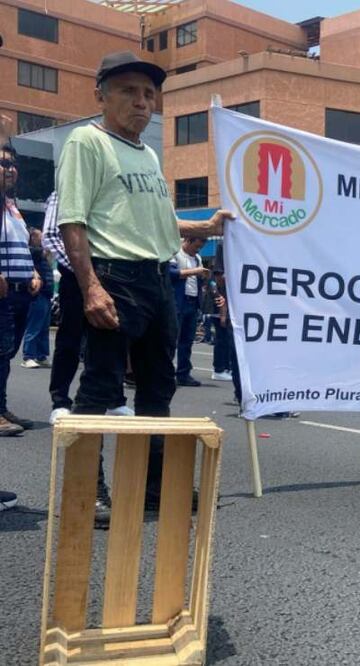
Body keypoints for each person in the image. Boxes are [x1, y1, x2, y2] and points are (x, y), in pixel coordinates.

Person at [56, 51, 231, 523]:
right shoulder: (85, 142)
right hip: (115, 276)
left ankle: (155, 487)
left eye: (149, 94)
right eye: (128, 91)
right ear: (101, 94)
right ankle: (86, 490)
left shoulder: (149, 154)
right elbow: (73, 219)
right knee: (101, 386)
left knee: (158, 389)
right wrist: (90, 286)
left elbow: (154, 220)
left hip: (160, 277)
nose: (142, 102)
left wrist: (207, 228)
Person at [41, 191, 133, 424]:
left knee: (112, 338)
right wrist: (84, 271)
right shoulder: (64, 193)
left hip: (111, 276)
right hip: (76, 277)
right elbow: (51, 237)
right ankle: (60, 401)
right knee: (70, 339)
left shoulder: (107, 193)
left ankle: (114, 399)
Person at [0, 142, 43, 436]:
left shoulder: (12, 207)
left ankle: (1, 407)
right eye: (3, 163)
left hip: (20, 292)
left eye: (13, 163)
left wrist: (35, 271)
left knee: (6, 354)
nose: (10, 169)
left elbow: (24, 246)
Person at [170, 236, 209, 387]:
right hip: (178, 301)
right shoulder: (175, 254)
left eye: (200, 247)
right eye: (196, 246)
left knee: (187, 341)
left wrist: (202, 276)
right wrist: (194, 271)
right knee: (172, 339)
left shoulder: (198, 258)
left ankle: (183, 374)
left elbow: (197, 280)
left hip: (193, 302)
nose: (197, 250)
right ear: (187, 241)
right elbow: (172, 273)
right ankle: (166, 373)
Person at [21, 228, 53, 369]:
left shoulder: (40, 253)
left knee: (44, 327)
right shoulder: (32, 251)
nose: (43, 239)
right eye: (40, 236)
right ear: (33, 238)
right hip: (38, 294)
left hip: (46, 294)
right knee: (34, 326)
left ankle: (41, 355)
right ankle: (28, 356)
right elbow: (45, 251)